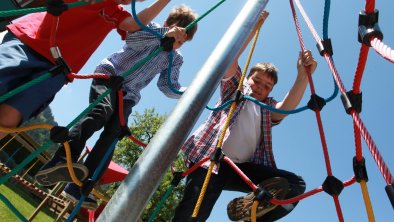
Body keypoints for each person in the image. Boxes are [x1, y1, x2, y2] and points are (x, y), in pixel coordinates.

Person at [35, 4, 198, 210]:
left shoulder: (176, 58)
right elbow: (132, 40)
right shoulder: (152, 29)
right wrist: (162, 36)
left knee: (114, 133)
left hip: (129, 95)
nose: (178, 44)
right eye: (178, 37)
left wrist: (188, 91)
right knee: (101, 111)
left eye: (182, 42)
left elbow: (167, 86)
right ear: (168, 25)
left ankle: (80, 186)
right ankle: (62, 159)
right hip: (110, 76)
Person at [172, 11, 317, 222]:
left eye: (267, 86)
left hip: (242, 167)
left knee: (294, 185)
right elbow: (231, 58)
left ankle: (251, 212)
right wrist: (253, 25)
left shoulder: (266, 107)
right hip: (211, 160)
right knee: (193, 213)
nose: (260, 88)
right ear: (247, 78)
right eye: (257, 81)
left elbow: (285, 108)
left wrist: (302, 77)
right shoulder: (235, 89)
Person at [0, 0, 171, 139]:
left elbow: (134, 24)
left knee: (10, 116)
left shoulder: (115, 12)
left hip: (58, 67)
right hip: (29, 41)